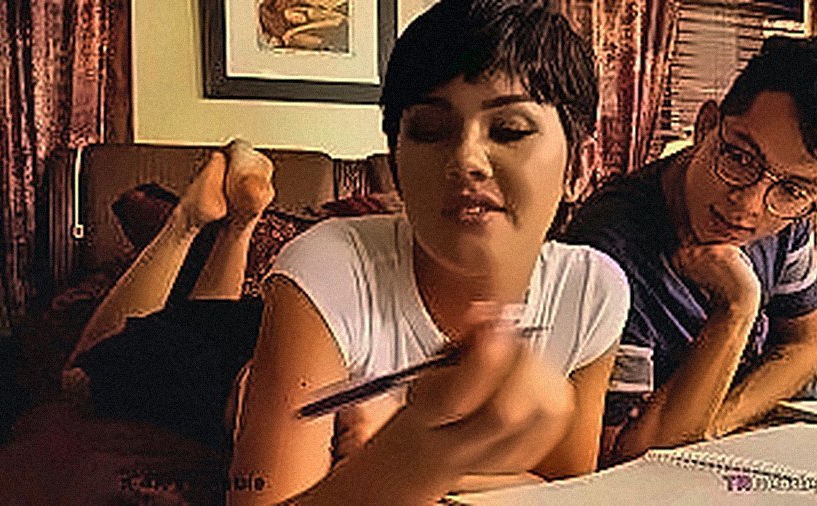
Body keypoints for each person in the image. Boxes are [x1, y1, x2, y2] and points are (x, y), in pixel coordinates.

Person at [64, 0, 629, 503]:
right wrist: (414, 457)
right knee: (85, 372)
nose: (466, 159)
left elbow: (566, 485)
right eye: (430, 130)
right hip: (247, 348)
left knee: (224, 319)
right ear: (397, 160)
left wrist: (403, 454)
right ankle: (191, 219)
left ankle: (238, 225)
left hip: (296, 338)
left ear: (577, 165)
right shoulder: (327, 264)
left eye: (508, 130)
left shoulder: (592, 290)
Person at [560, 35, 817, 464]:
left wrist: (719, 424)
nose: (748, 206)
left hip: (778, 383)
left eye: (794, 189)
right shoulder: (609, 254)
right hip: (693, 416)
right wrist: (736, 307)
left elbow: (805, 347)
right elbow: (625, 456)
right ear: (705, 126)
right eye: (739, 157)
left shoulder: (790, 211)